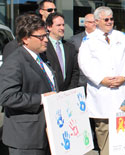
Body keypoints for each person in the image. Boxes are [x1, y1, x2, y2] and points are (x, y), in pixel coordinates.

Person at [78, 6, 125, 155]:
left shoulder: (122, 37)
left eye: (111, 19)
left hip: (121, 90)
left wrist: (124, 77)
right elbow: (84, 64)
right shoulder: (89, 40)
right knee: (103, 130)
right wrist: (101, 80)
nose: (110, 22)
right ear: (96, 21)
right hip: (101, 92)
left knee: (123, 131)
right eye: (106, 19)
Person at [0, 14, 57, 155]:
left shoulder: (40, 57)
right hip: (26, 138)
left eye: (46, 35)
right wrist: (41, 99)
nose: (46, 40)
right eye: (41, 37)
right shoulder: (14, 62)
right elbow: (6, 97)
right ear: (26, 39)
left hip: (45, 134)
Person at [44, 12, 79, 91]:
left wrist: (70, 90)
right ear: (49, 27)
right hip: (50, 94)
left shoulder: (70, 47)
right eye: (58, 25)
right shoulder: (43, 47)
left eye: (63, 25)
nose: (62, 28)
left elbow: (75, 72)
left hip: (67, 94)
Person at [69, 13, 96, 89]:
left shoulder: (103, 39)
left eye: (96, 22)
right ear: (86, 23)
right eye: (92, 22)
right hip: (81, 82)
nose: (95, 24)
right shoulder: (75, 40)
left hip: (99, 81)